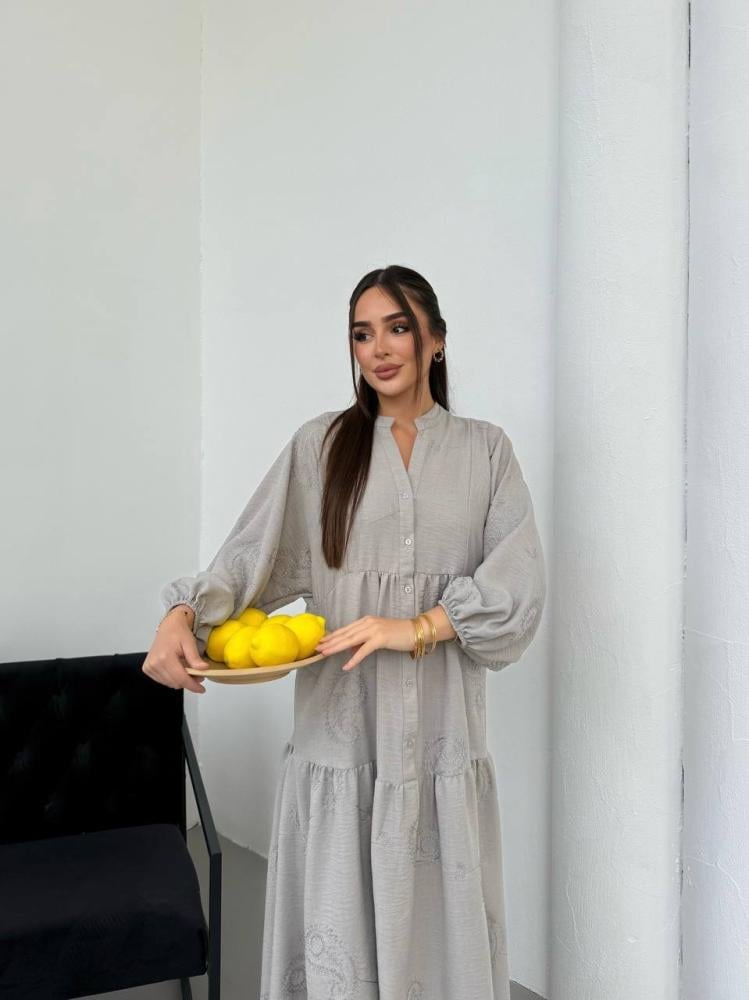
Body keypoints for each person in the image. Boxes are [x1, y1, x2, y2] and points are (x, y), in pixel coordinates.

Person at [143, 264, 546, 1000]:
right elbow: (249, 557)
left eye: (397, 328)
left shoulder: (486, 451)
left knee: (437, 943)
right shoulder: (320, 446)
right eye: (362, 334)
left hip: (441, 737)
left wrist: (416, 626)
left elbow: (516, 589)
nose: (379, 349)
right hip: (341, 735)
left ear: (435, 340)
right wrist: (181, 613)